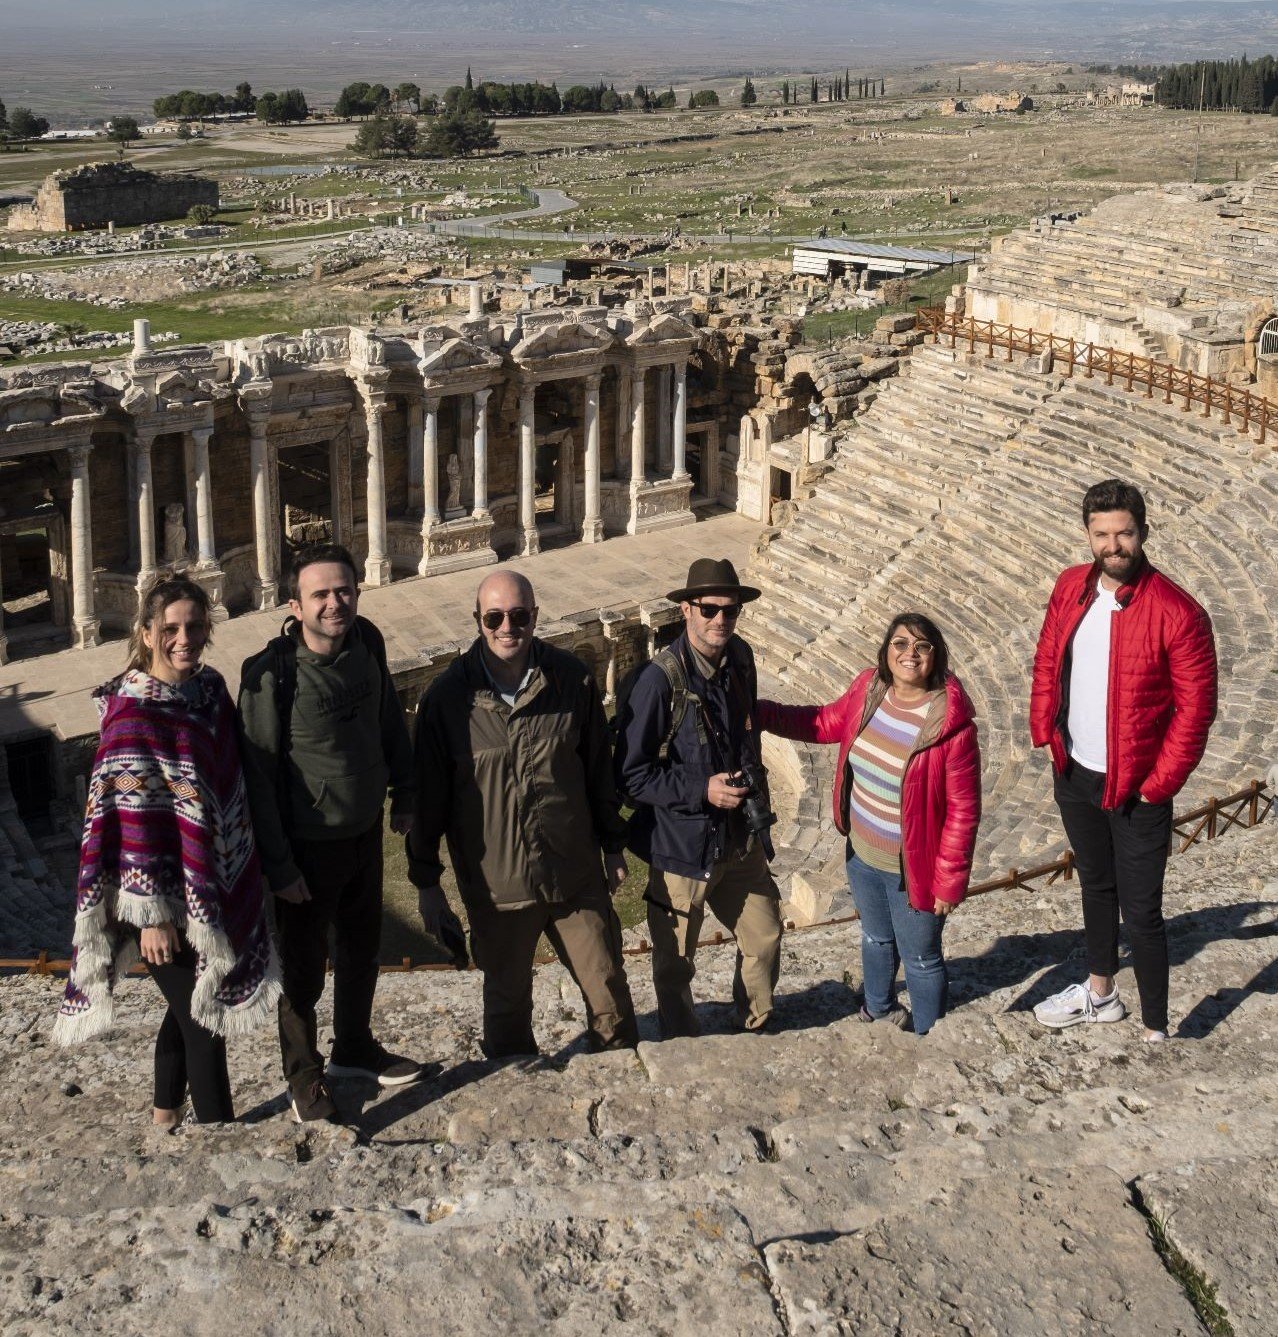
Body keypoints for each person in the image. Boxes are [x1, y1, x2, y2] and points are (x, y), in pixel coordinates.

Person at [54, 577, 279, 1126]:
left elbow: (225, 785)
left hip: (207, 884)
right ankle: (220, 1138)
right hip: (148, 901)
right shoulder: (132, 718)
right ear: (148, 633)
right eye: (172, 629)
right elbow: (131, 827)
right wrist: (152, 918)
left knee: (183, 1014)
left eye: (196, 627)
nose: (186, 639)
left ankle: (164, 1116)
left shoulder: (208, 693)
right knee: (205, 1022)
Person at [409, 571, 637, 1058]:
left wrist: (613, 844)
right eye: (494, 617)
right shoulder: (447, 700)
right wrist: (427, 884)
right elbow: (429, 802)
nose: (507, 626)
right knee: (508, 1012)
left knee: (610, 998)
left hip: (574, 875)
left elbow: (597, 769)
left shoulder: (570, 678)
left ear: (535, 616)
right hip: (498, 892)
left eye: (519, 615)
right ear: (478, 622)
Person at [238, 543, 421, 1123]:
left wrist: (405, 791)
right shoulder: (271, 675)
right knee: (302, 969)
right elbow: (259, 778)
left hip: (365, 831)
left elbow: (388, 718)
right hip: (308, 847)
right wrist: (279, 866)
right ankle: (303, 1077)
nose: (334, 603)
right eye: (320, 594)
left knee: (363, 949)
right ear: (295, 605)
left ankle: (354, 1049)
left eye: (343, 590)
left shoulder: (368, 640)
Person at [1030, 480, 1216, 1042]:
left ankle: (1158, 1030)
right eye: (1103, 534)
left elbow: (1195, 710)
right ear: (1088, 535)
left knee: (1143, 914)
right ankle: (1100, 994)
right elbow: (1047, 658)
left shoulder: (1179, 613)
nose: (1114, 545)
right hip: (1076, 770)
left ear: (1143, 533)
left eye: (1125, 533)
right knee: (1095, 887)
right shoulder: (1070, 587)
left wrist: (1159, 786)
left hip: (1137, 787)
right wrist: (1047, 731)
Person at [757, 614, 981, 1035]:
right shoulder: (868, 690)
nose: (909, 654)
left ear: (937, 655)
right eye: (899, 643)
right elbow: (824, 723)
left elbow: (963, 810)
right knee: (876, 938)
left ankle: (931, 1035)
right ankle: (878, 1009)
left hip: (913, 868)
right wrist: (761, 713)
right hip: (861, 852)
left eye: (921, 646)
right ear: (886, 651)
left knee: (921, 957)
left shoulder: (951, 725)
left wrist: (949, 882)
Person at [614, 558, 783, 1038]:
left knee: (765, 934)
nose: (720, 621)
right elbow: (631, 776)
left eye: (730, 611)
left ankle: (753, 1022)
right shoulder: (656, 681)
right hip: (682, 849)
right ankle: (682, 1041)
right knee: (675, 963)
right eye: (709, 609)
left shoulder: (741, 660)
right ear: (686, 609)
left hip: (738, 839)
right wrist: (701, 790)